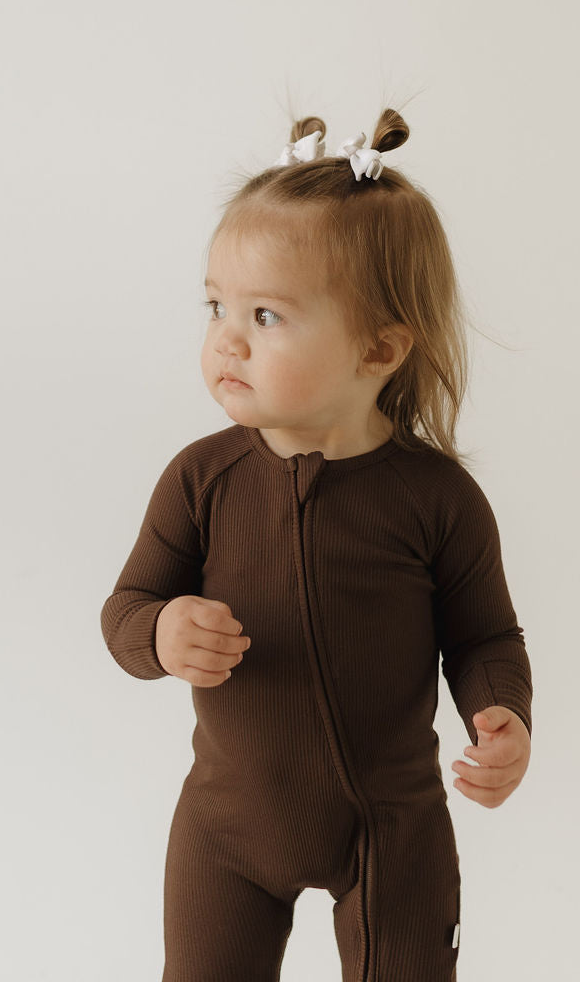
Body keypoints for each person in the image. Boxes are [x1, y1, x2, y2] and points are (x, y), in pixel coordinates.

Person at [99, 108, 533, 982]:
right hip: (226, 830)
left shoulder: (437, 500)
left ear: (379, 348)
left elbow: (485, 637)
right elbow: (126, 611)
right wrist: (161, 632)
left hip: (393, 832)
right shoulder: (202, 479)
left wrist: (503, 715)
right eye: (217, 305)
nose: (226, 337)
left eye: (266, 315)